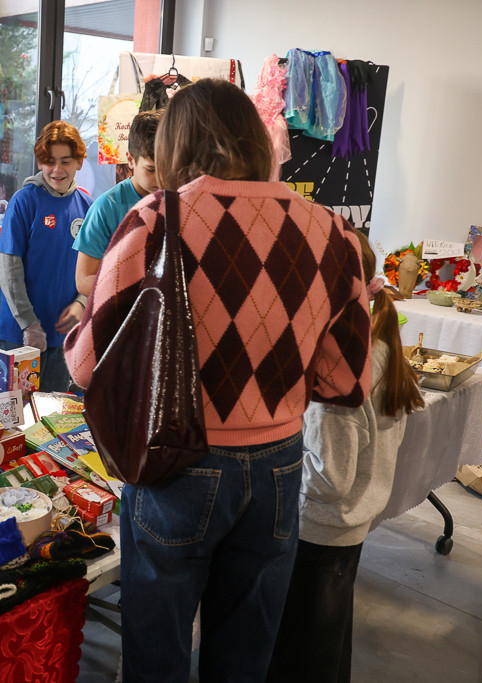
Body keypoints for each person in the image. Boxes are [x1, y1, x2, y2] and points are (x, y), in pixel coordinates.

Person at [63, 78, 372, 682]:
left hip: (176, 460)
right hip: (281, 465)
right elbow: (344, 381)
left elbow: (84, 366)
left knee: (157, 655)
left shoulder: (153, 219)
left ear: (176, 145)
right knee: (245, 658)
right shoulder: (332, 232)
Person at [267, 229, 423, 683]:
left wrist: (271, 471)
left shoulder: (337, 368)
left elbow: (326, 478)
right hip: (348, 522)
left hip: (318, 526)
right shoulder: (377, 344)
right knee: (327, 639)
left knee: (301, 649)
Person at [0, 120, 93, 392]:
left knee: (52, 420)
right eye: (49, 161)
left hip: (64, 337)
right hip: (20, 336)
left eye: (66, 161)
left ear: (79, 163)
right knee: (15, 419)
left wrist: (81, 303)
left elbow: (96, 269)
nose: (57, 169)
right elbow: (9, 271)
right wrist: (29, 324)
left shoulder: (87, 205)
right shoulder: (24, 201)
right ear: (39, 163)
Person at [73, 110, 161, 296]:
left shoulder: (178, 199)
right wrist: (141, 289)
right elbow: (84, 280)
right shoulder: (107, 207)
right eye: (151, 170)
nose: (161, 178)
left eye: (168, 167)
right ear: (130, 160)